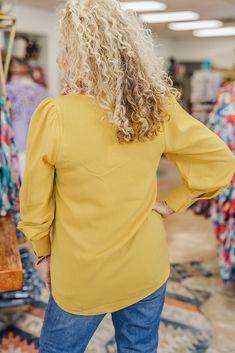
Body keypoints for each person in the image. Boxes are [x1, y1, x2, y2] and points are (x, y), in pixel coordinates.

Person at [17, 1, 235, 352]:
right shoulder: (156, 106)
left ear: (75, 51)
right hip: (146, 267)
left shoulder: (55, 114)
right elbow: (220, 160)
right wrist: (172, 203)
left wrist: (42, 254)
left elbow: (35, 201)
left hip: (82, 272)